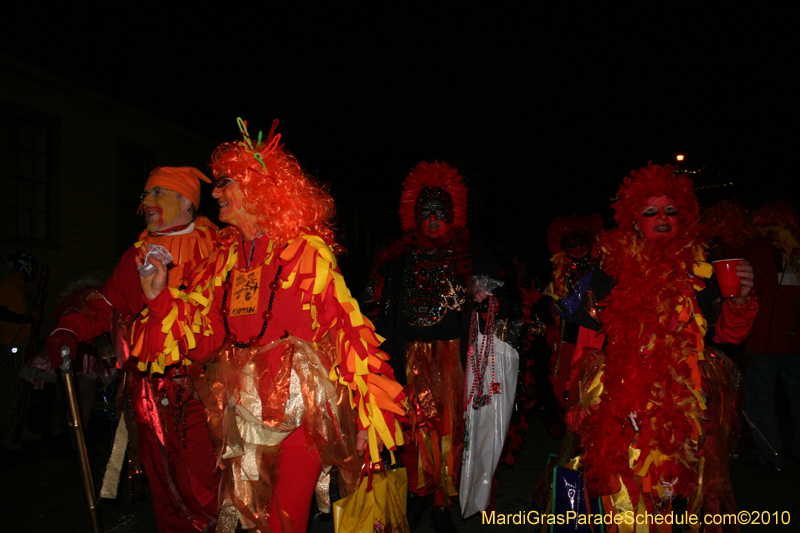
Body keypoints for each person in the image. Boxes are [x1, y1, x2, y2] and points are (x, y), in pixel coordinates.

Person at [133, 119, 406, 533]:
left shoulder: (304, 253)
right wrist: (158, 297)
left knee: (284, 521)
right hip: (240, 417)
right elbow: (196, 340)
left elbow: (347, 331)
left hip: (302, 417)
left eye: (226, 182)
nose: (216, 192)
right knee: (251, 521)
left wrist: (370, 422)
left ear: (261, 188)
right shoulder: (221, 262)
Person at [555, 163, 758, 531]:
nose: (662, 217)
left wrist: (740, 301)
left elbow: (728, 337)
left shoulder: (704, 271)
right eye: (651, 212)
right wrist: (579, 404)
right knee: (626, 504)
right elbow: (585, 346)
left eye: (670, 210)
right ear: (634, 222)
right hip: (623, 407)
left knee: (677, 502)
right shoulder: (606, 274)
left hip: (685, 407)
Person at [46, 166, 220, 533]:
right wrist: (71, 327)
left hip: (201, 396)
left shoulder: (217, 248)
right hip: (147, 395)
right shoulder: (137, 254)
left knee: (204, 492)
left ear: (186, 199)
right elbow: (109, 305)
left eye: (158, 193)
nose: (146, 203)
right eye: (144, 195)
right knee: (164, 491)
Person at [741, 200, 800, 472]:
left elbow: (748, 292)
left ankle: (772, 456)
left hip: (763, 338)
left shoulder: (757, 246)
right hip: (793, 337)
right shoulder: (795, 245)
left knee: (761, 399)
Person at [0, 250, 41, 451]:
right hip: (10, 345)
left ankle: (20, 428)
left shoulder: (23, 288)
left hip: (25, 345)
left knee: (24, 389)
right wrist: (26, 318)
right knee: (12, 391)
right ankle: (6, 435)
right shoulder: (6, 286)